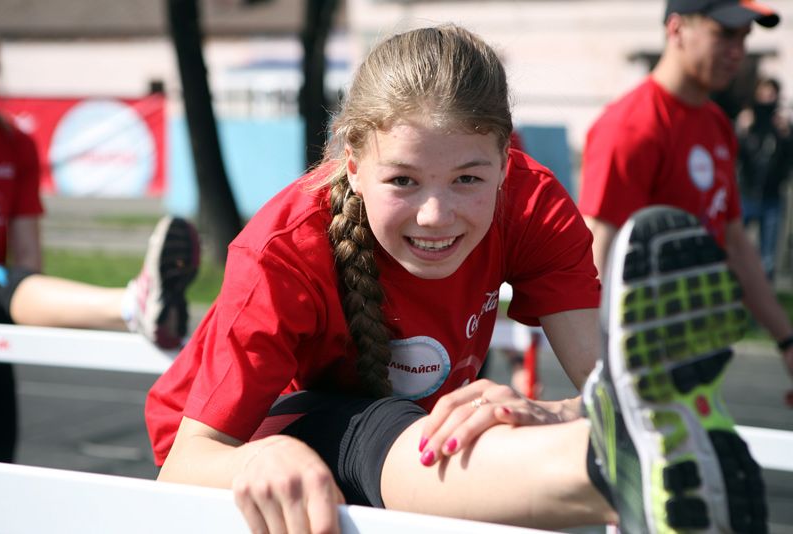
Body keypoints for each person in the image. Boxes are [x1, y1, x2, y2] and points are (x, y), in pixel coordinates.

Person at [147, 25, 766, 533]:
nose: (435, 216)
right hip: (247, 448)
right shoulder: (284, 252)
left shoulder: (531, 207)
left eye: (468, 179)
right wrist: (258, 457)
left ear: (505, 162)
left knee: (478, 419)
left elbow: (610, 390)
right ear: (352, 164)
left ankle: (642, 470)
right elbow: (183, 463)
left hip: (407, 437)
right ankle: (614, 474)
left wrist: (550, 411)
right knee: (373, 430)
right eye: (403, 180)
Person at [0, 37, 200, 463]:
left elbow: (28, 259)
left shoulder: (14, 143)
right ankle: (133, 305)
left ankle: (138, 305)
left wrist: (22, 305)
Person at [578, 0, 793, 390]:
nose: (738, 52)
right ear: (676, 29)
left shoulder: (716, 124)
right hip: (639, 368)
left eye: (743, 38)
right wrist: (604, 374)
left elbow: (734, 244)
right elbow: (596, 254)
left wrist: (787, 342)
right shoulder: (629, 126)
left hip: (698, 356)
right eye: (724, 34)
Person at [736, 77, 793, 279]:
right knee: (733, 249)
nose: (767, 98)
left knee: (767, 259)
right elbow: (735, 154)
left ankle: (763, 294)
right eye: (763, 93)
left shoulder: (781, 125)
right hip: (746, 194)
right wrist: (742, 131)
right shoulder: (748, 121)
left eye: (771, 94)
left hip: (772, 198)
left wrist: (786, 136)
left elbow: (788, 161)